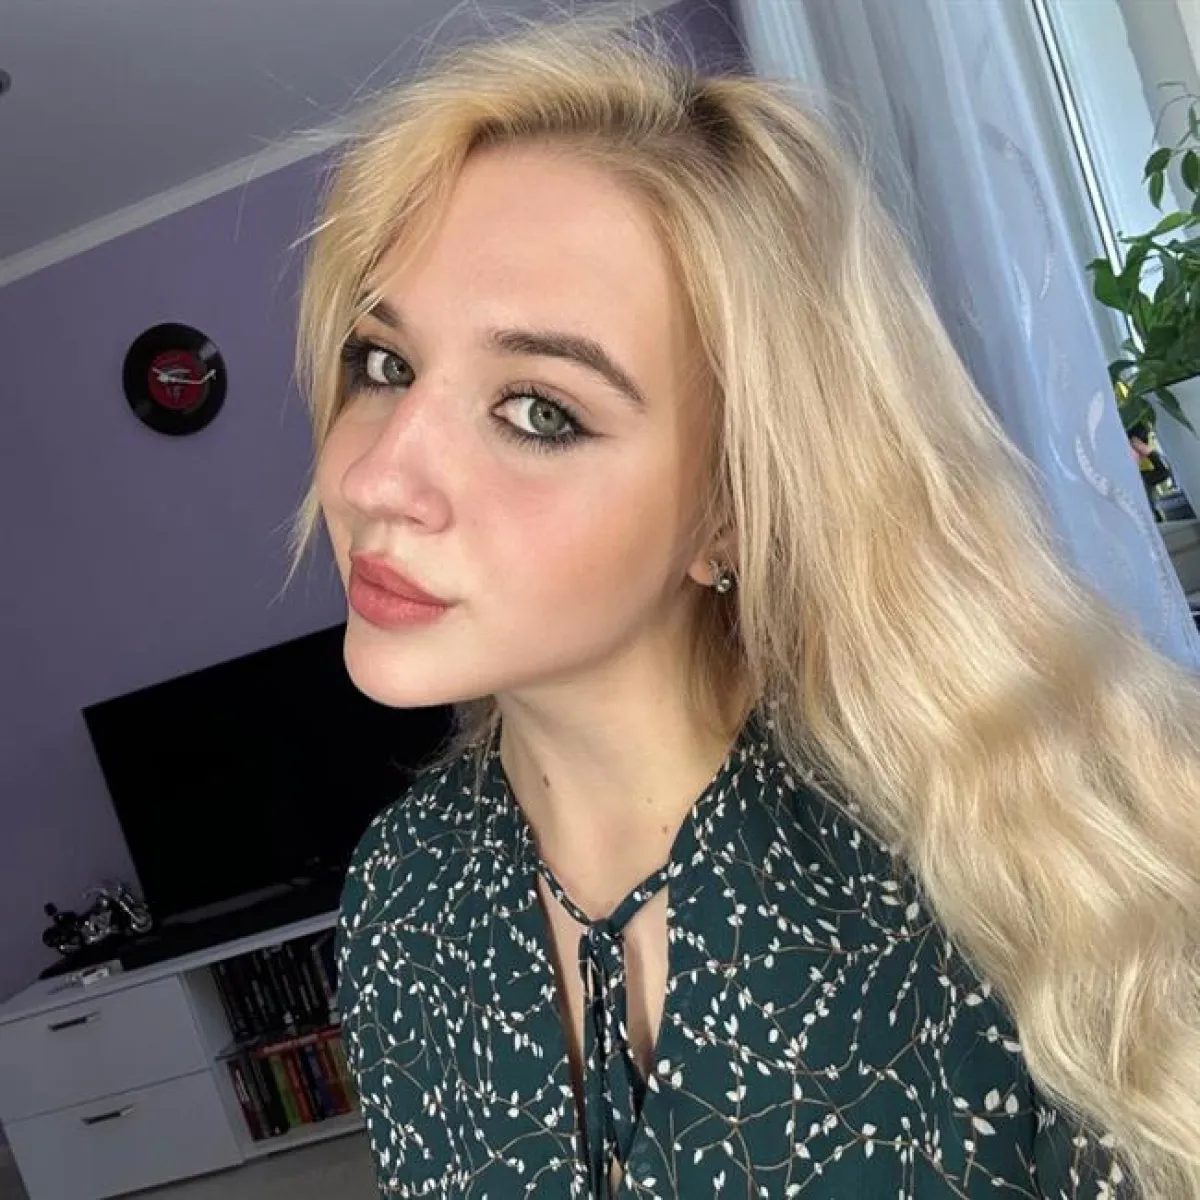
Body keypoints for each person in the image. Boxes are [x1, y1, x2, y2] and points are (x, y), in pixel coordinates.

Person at [290, 18, 1200, 1199]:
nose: (375, 478)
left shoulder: (1009, 867)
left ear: (730, 505)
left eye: (539, 411)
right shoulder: (403, 895)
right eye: (383, 364)